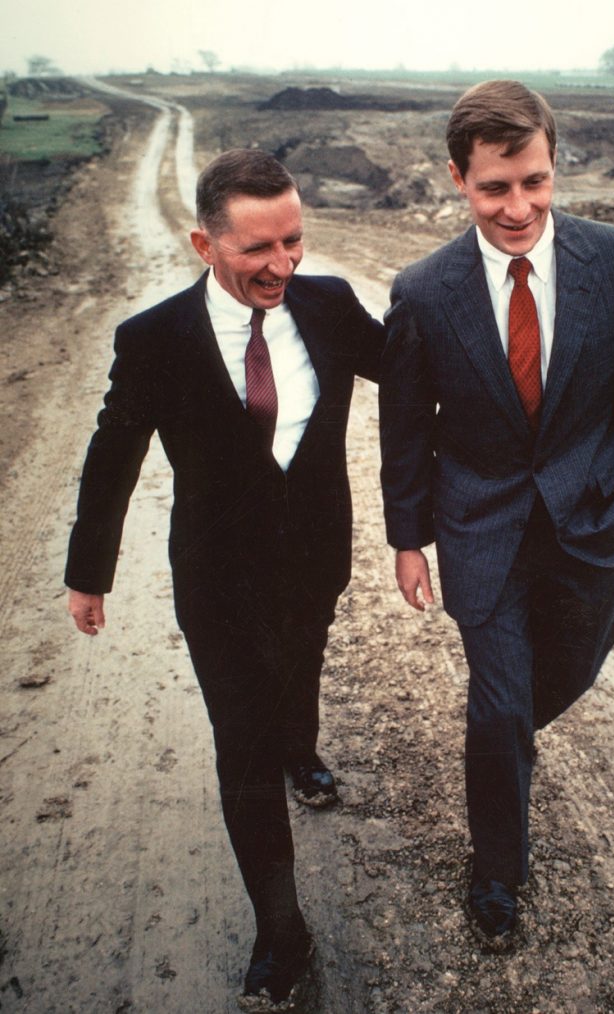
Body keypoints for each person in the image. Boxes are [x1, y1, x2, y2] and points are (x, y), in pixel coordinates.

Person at [66, 148, 384, 1008]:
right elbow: (112, 456)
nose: (282, 265)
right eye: (257, 250)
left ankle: (304, 750)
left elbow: (417, 372)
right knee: (241, 743)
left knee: (304, 671)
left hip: (317, 553)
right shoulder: (154, 339)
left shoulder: (328, 304)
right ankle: (282, 933)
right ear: (205, 244)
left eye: (294, 241)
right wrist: (87, 572)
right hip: (217, 578)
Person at [379, 80, 614, 951]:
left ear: (555, 166)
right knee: (500, 704)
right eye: (494, 188)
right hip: (481, 530)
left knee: (574, 670)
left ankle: (499, 751)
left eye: (535, 182)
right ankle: (496, 871)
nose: (518, 207)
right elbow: (406, 431)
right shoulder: (425, 291)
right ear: (457, 179)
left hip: (592, 520)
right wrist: (408, 539)